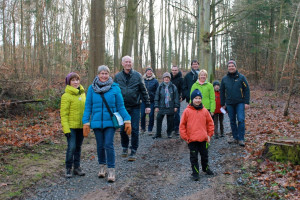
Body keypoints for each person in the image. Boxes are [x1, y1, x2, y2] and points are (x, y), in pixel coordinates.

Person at [82, 65, 131, 182]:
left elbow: (120, 106)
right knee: (100, 145)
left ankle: (111, 169)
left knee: (108, 144)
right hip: (96, 122)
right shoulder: (91, 88)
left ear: (109, 75)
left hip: (110, 122)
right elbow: (88, 106)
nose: (104, 76)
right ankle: (102, 167)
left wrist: (127, 119)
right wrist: (85, 122)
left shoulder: (115, 88)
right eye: (102, 73)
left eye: (106, 73)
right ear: (98, 74)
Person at [114, 55, 151, 161]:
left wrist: (148, 105)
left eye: (129, 62)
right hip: (122, 107)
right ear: (122, 63)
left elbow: (144, 91)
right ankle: (125, 147)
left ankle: (133, 150)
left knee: (134, 129)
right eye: (126, 62)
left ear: (132, 63)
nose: (128, 64)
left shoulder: (138, 76)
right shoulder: (117, 77)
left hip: (135, 106)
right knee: (122, 129)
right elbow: (114, 91)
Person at [179, 89, 214, 181]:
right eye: (196, 98)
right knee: (194, 158)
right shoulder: (187, 111)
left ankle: (206, 168)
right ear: (192, 99)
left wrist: (209, 135)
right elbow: (182, 126)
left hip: (203, 139)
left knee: (204, 155)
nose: (198, 100)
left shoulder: (205, 111)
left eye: (199, 98)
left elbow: (210, 123)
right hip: (192, 140)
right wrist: (186, 137)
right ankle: (195, 173)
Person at [60, 72, 86, 178]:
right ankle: (68, 168)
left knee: (78, 147)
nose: (75, 82)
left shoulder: (83, 94)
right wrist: (66, 129)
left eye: (77, 80)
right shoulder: (66, 96)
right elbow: (63, 114)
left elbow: (87, 110)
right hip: (71, 127)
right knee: (71, 147)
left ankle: (77, 167)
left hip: (81, 126)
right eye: (73, 80)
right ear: (69, 82)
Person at [220, 60, 250, 147]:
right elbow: (222, 91)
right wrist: (223, 103)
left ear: (235, 67)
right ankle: (235, 137)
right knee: (232, 121)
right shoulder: (224, 79)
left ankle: (241, 138)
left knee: (240, 120)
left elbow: (246, 89)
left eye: (232, 66)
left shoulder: (241, 77)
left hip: (240, 103)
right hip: (229, 104)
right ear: (227, 68)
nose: (231, 67)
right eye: (229, 66)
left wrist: (246, 102)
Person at [153, 72, 180, 139]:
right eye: (165, 78)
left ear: (170, 79)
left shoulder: (173, 87)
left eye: (168, 78)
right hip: (161, 106)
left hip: (170, 106)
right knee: (159, 120)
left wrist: (176, 106)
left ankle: (169, 133)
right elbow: (156, 97)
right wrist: (156, 106)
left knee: (170, 121)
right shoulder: (160, 87)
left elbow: (176, 97)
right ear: (163, 78)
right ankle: (158, 133)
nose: (166, 79)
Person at [141, 67, 159, 135]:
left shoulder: (155, 81)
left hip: (152, 101)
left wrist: (156, 100)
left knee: (151, 115)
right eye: (148, 71)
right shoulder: (142, 80)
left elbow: (157, 91)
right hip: (143, 101)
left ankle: (150, 129)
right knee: (142, 115)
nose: (149, 72)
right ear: (146, 72)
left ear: (152, 72)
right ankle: (143, 128)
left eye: (150, 71)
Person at [170, 65, 183, 135]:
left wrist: (181, 96)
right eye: (173, 70)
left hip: (177, 99)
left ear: (178, 71)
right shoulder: (169, 78)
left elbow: (182, 88)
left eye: (175, 70)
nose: (174, 71)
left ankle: (176, 128)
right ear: (171, 71)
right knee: (170, 114)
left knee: (177, 114)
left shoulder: (180, 79)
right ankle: (171, 128)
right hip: (169, 98)